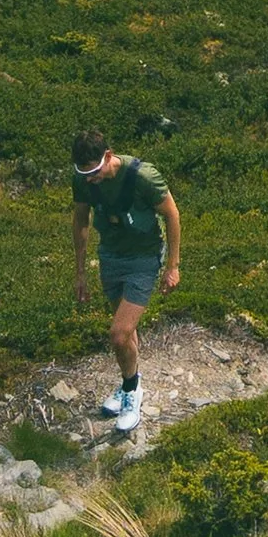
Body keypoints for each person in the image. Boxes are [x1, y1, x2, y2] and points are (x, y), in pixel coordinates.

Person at [70, 128, 179, 434]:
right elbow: (80, 220)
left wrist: (173, 266)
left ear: (108, 156)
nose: (89, 178)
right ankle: (130, 381)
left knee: (119, 334)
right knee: (126, 332)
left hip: (144, 259)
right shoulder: (82, 179)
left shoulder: (143, 176)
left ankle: (132, 392)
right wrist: (80, 272)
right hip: (111, 256)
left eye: (94, 171)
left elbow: (172, 215)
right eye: (83, 172)